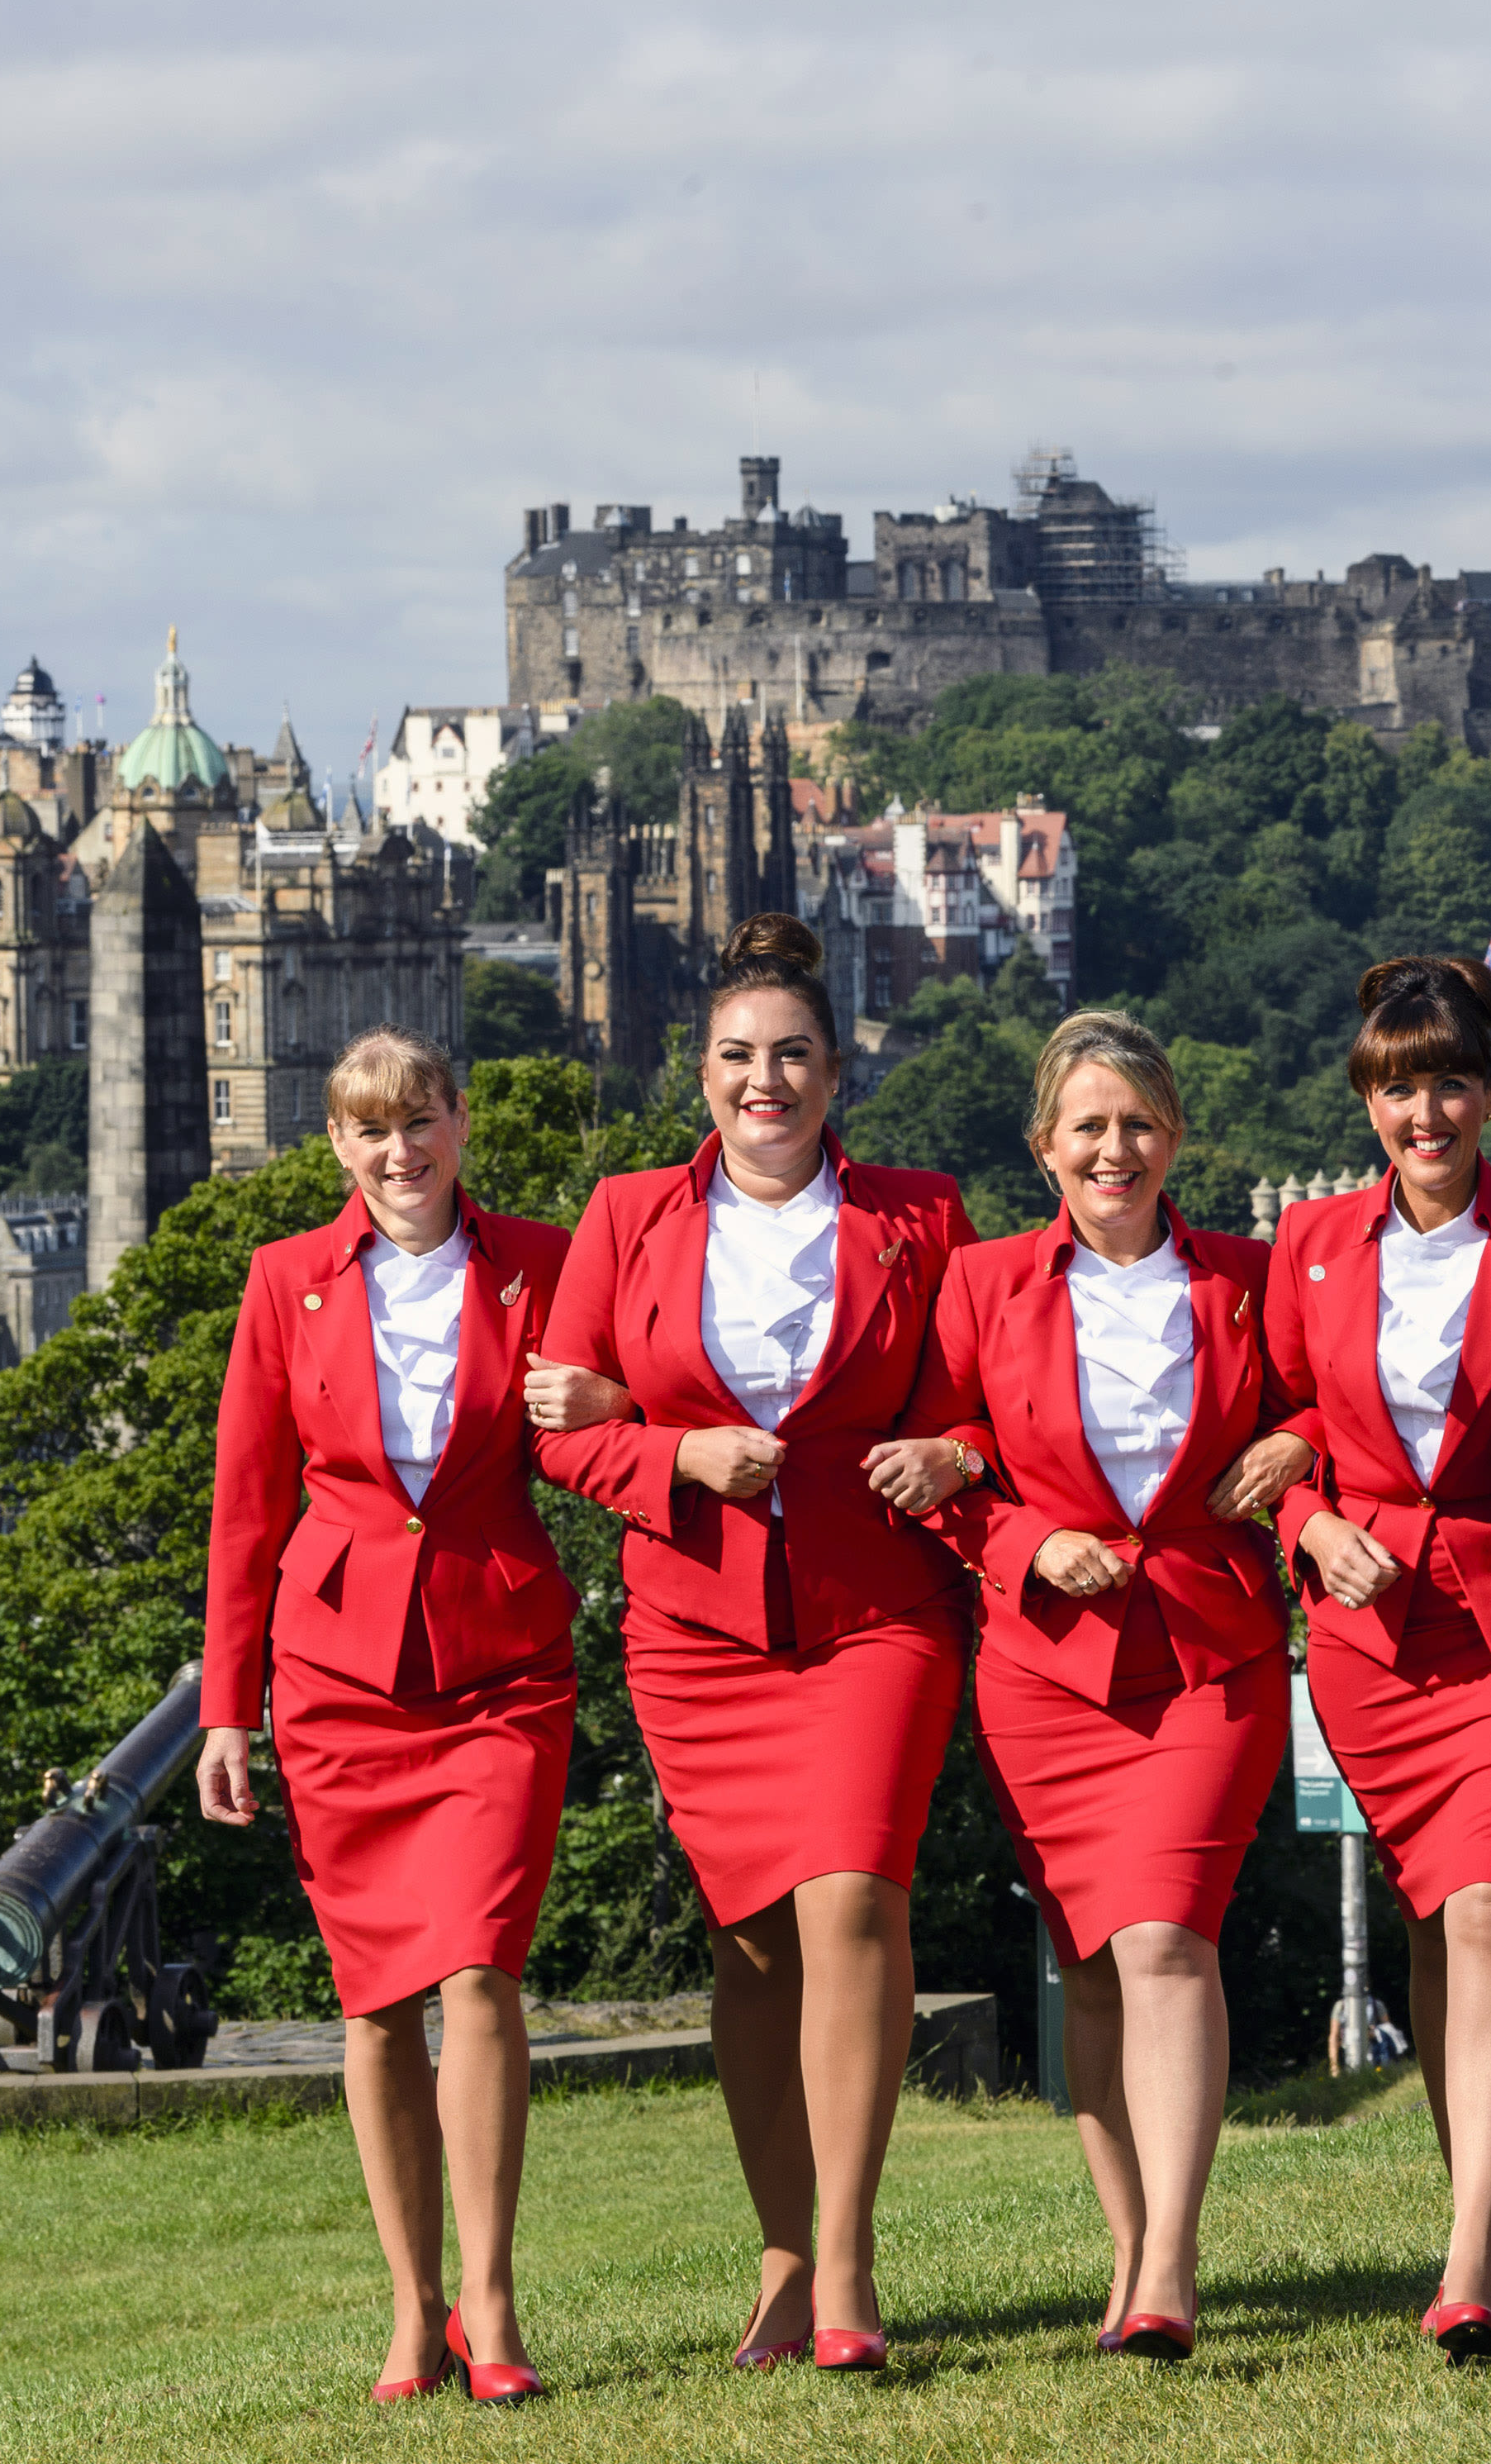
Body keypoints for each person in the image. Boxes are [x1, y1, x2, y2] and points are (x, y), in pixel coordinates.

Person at [525, 913, 981, 2374]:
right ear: (701, 1072)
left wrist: (954, 1456)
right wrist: (675, 1460)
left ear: (839, 1073)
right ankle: (782, 2252)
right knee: (753, 1950)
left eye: (792, 1055)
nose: (764, 1081)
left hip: (877, 1614)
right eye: (738, 1057)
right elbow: (568, 1438)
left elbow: (986, 1404)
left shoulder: (923, 1214)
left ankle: (847, 2264)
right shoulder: (626, 1215)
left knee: (854, 1900)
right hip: (697, 1626)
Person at [896, 1011, 1313, 2362]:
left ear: (1176, 1137)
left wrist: (1298, 1441)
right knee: (1086, 1962)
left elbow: (1331, 1399)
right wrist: (1023, 1536)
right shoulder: (980, 1285)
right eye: (1089, 1127)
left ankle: (1176, 2266)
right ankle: (1127, 2248)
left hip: (1212, 1648)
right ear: (1044, 1150)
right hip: (1046, 1670)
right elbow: (942, 1455)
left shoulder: (1254, 1276)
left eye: (1138, 1123)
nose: (1115, 1148)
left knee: (1167, 1940)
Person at [198, 1029, 594, 2404]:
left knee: (482, 1965)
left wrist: (604, 1399)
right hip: (333, 1680)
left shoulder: (543, 1263)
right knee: (374, 2000)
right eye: (370, 1130)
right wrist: (226, 1706)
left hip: (500, 1658)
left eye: (419, 1120)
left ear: (461, 1125)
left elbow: (618, 1417)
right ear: (336, 1148)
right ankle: (411, 2309)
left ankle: (492, 2305)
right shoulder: (282, 1284)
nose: (399, 1150)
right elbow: (246, 1504)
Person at [1260, 958, 1491, 2361]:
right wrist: (1305, 1524)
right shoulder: (1310, 1244)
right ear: (1368, 1096)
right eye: (1400, 1085)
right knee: (1428, 1915)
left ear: (1489, 1092)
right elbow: (1279, 1416)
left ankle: (1469, 2254)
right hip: (1370, 1633)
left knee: (1488, 1913)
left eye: (1451, 1081)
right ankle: (1482, 2208)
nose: (1427, 1110)